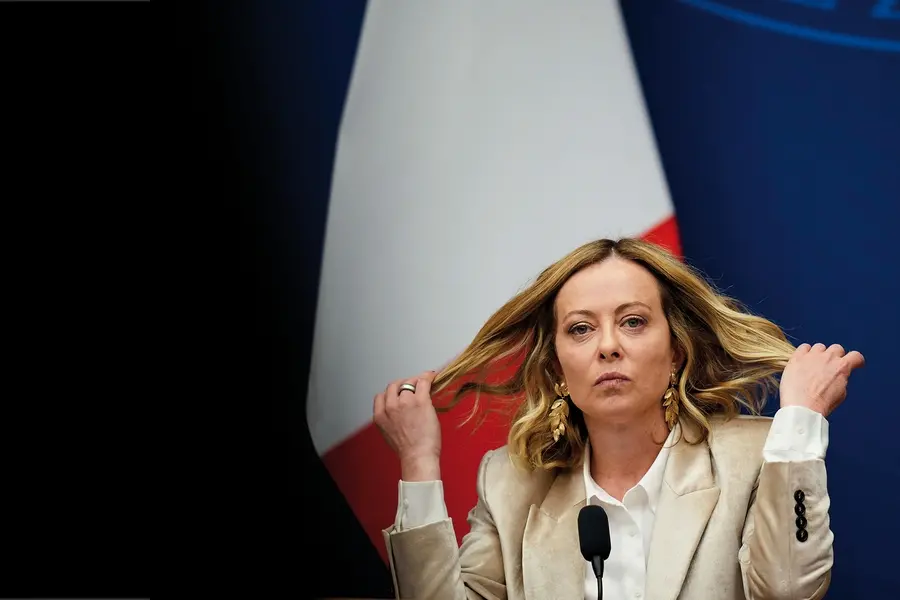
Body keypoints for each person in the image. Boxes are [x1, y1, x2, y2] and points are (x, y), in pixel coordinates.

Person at [372, 238, 863, 600]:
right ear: (557, 369)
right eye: (581, 329)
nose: (608, 346)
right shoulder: (509, 483)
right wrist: (418, 461)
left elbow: (790, 591)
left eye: (633, 321)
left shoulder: (754, 457)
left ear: (675, 352)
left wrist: (800, 421)